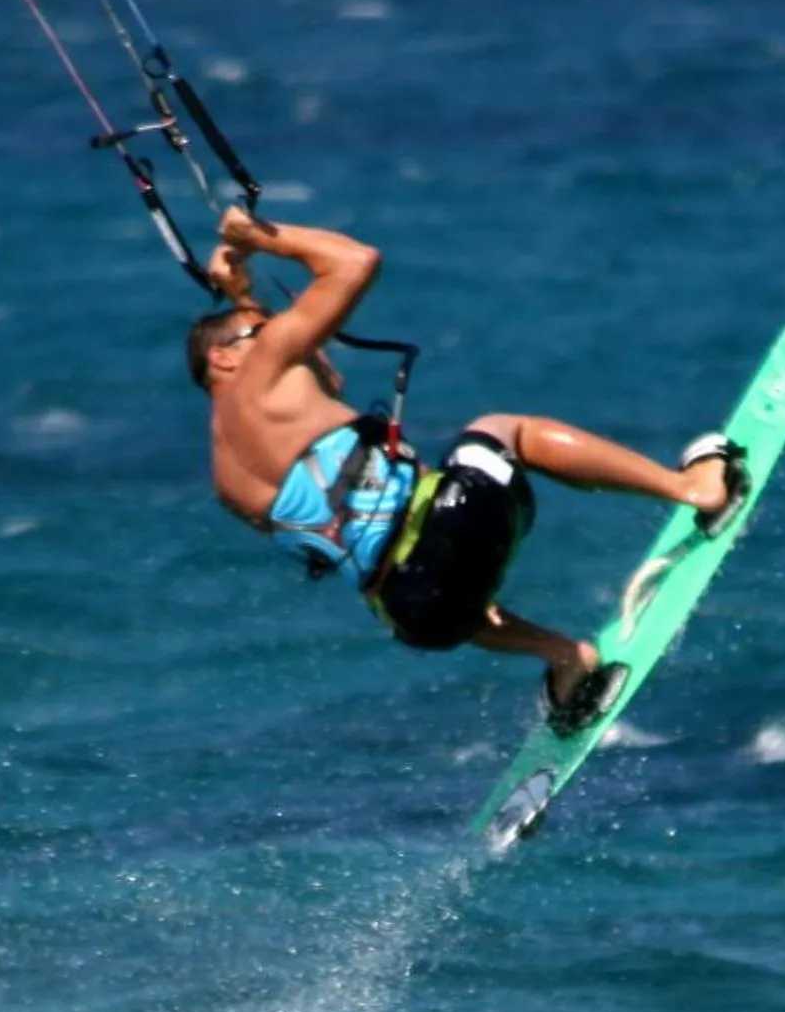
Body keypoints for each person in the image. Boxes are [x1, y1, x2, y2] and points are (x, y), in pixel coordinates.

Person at [192, 206, 746, 735]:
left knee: (427, 577)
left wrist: (242, 297)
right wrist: (259, 237)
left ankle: (565, 657)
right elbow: (356, 261)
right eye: (265, 329)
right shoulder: (263, 368)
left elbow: (314, 385)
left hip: (419, 618)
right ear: (223, 358)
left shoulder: (227, 482)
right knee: (503, 430)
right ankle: (692, 488)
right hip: (457, 522)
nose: (283, 330)